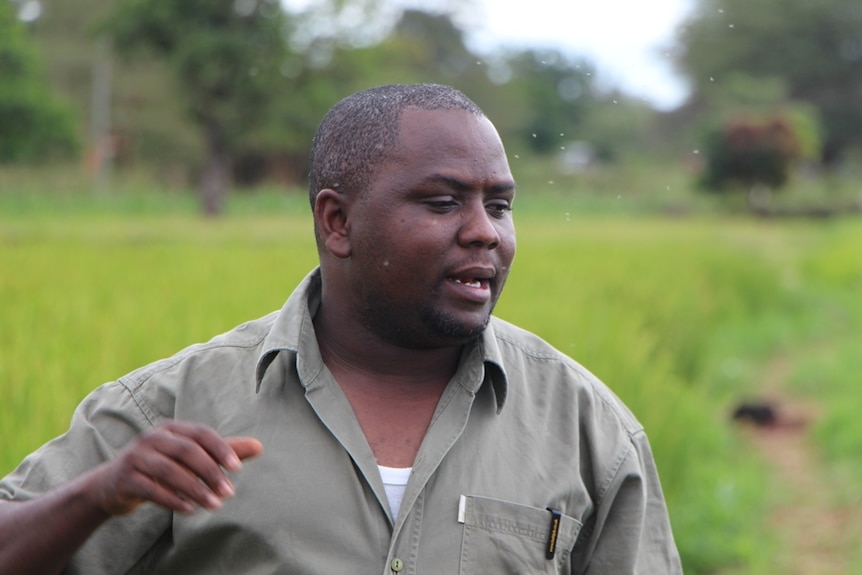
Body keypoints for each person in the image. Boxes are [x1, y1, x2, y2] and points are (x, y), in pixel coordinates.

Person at [0, 83, 682, 574]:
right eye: (443, 202)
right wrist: (96, 495)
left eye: (499, 205)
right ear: (337, 222)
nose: (484, 232)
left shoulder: (587, 427)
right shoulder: (173, 407)